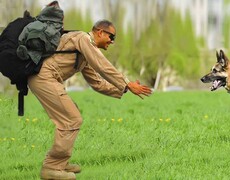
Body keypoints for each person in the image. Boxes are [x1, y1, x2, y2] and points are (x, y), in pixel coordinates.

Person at [28, 20, 152, 179]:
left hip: (47, 80)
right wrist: (126, 82)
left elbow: (98, 83)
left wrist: (126, 88)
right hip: (43, 79)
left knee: (72, 117)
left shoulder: (84, 53)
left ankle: (60, 163)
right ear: (100, 32)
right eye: (111, 37)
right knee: (72, 119)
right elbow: (102, 65)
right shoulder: (82, 39)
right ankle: (51, 168)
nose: (112, 42)